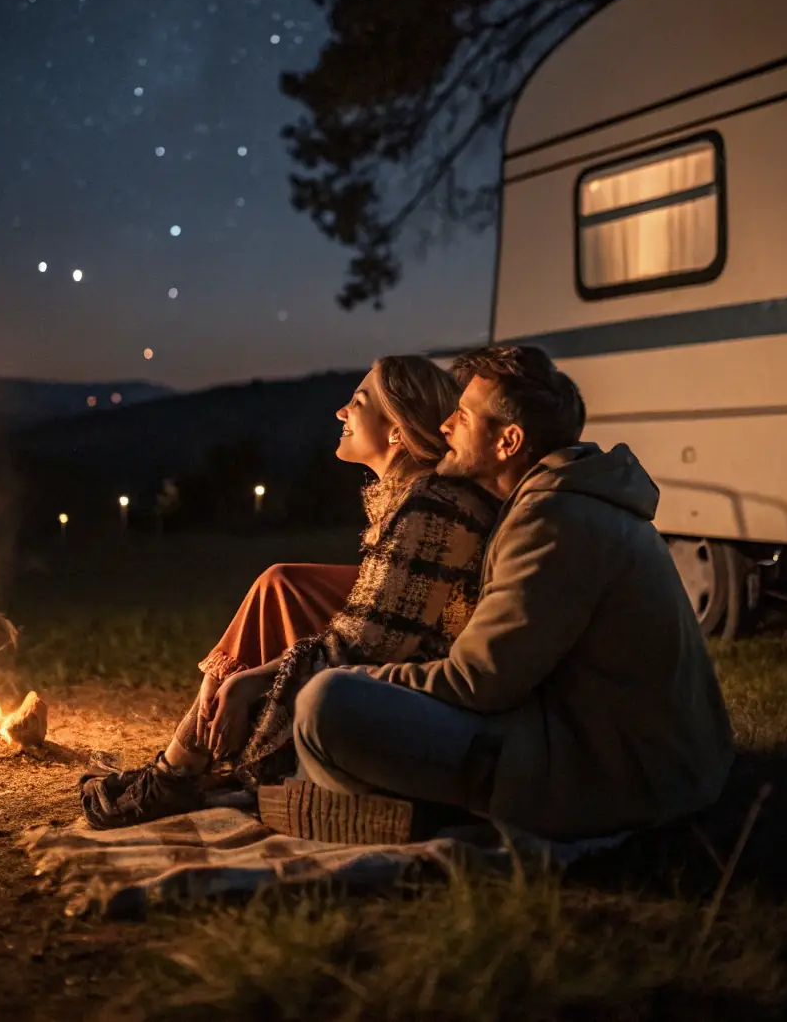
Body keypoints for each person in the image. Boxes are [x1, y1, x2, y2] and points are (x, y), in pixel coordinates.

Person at [286, 345, 734, 844]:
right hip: (627, 753)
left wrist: (362, 675)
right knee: (342, 702)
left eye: (462, 415)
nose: (444, 427)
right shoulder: (563, 500)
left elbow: (478, 682)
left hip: (613, 774)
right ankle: (388, 801)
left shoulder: (553, 520)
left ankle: (415, 813)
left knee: (326, 704)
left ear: (508, 441)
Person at [80, 354, 502, 829]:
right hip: (410, 646)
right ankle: (184, 763)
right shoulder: (416, 497)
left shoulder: (431, 507)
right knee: (281, 583)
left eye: (358, 402)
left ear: (396, 432)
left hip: (425, 679)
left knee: (280, 620)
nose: (341, 412)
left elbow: (362, 647)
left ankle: (177, 771)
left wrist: (254, 679)